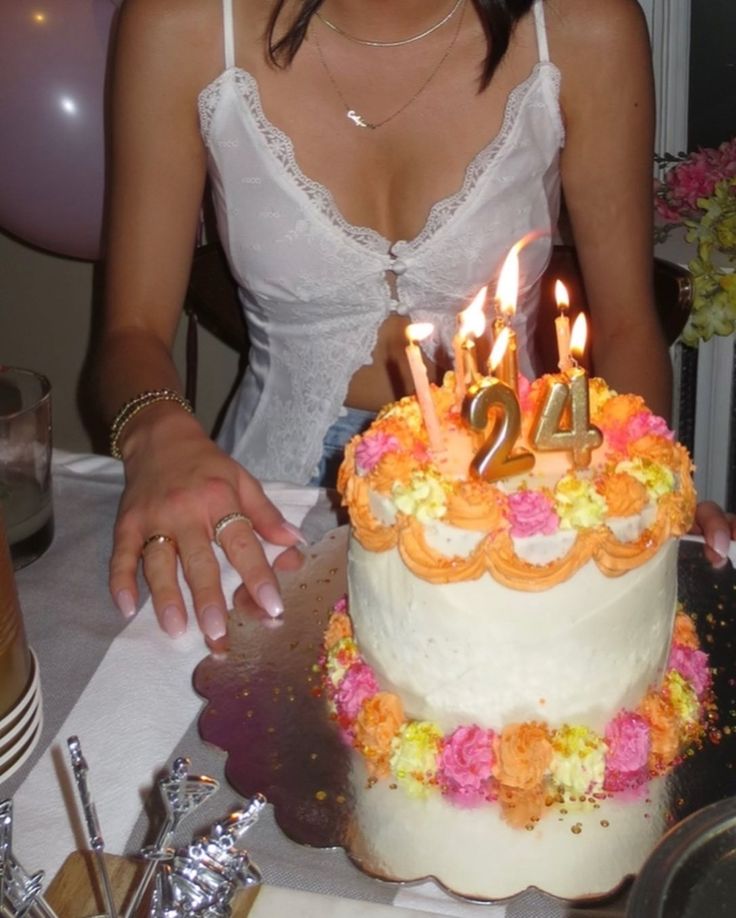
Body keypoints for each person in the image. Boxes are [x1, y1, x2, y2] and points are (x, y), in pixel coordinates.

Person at [96, 0, 735, 642]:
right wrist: (157, 432)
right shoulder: (180, 22)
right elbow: (131, 333)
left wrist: (645, 493)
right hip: (263, 509)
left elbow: (626, 326)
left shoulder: (585, 24)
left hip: (524, 500)